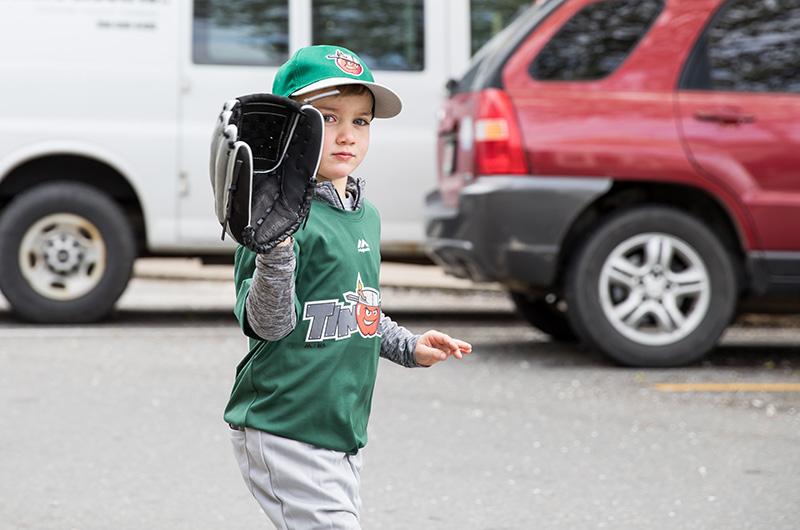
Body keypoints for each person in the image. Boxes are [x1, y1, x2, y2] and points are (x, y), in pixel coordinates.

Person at [223, 45, 472, 529]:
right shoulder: (274, 219)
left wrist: (407, 345)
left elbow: (357, 308)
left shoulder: (365, 215)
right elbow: (267, 326)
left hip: (339, 427)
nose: (346, 135)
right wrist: (276, 250)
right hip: (284, 423)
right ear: (287, 128)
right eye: (328, 117)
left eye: (361, 121)